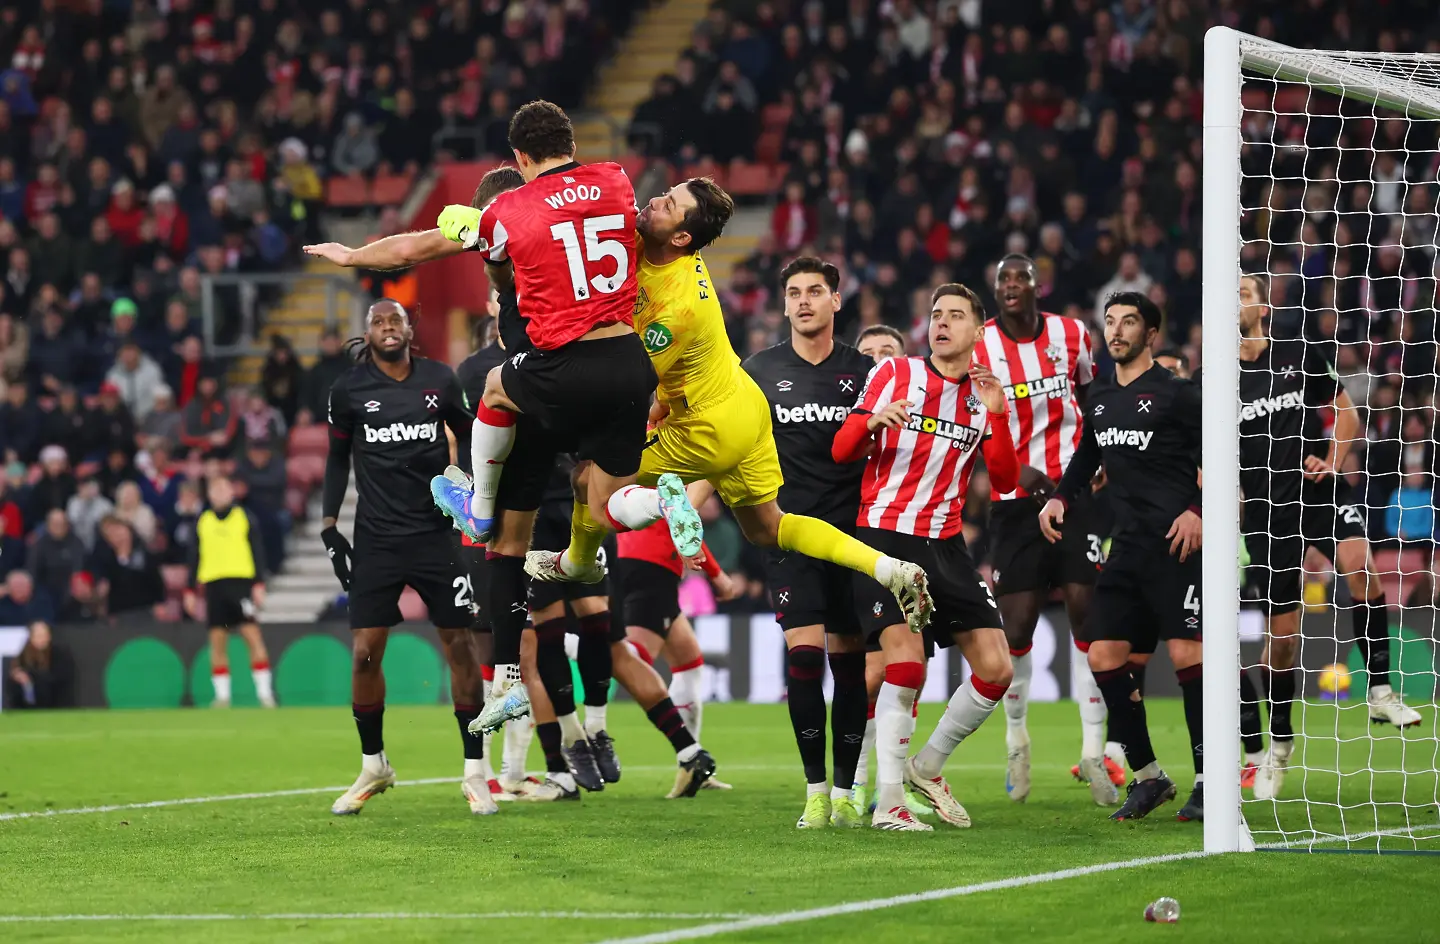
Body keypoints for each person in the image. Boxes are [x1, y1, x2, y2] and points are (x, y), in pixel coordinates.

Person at [308, 104, 705, 745]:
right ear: (570, 142)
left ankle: (481, 511)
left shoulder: (503, 214)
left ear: (519, 159)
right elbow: (652, 241)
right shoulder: (615, 181)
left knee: (494, 403)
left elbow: (415, 247)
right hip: (629, 363)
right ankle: (662, 499)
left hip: (555, 370)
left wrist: (353, 256)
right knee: (607, 502)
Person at [831, 283, 1020, 831]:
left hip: (946, 546)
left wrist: (1000, 415)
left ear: (977, 331)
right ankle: (888, 801)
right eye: (936, 314)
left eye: (955, 316)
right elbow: (841, 451)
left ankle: (927, 766)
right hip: (883, 536)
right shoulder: (895, 374)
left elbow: (1005, 480)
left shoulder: (983, 393)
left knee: (996, 668)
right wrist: (871, 422)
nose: (941, 323)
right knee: (906, 665)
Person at [1228, 273, 1418, 804]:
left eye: (1242, 293)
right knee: (1282, 642)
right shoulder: (1216, 378)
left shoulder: (1297, 352)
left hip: (1319, 490)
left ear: (1262, 305)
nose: (1234, 301)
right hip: (1268, 513)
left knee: (1361, 566)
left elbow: (1349, 415)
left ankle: (1380, 688)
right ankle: (1280, 746)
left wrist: (1332, 459)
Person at [319, 298, 494, 817]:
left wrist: (472, 493)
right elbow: (335, 458)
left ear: (409, 329)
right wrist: (329, 526)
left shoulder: (439, 379)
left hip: (437, 536)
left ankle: (475, 772)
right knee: (365, 653)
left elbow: (469, 431)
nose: (388, 327)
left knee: (459, 647)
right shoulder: (348, 390)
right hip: (375, 538)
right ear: (367, 332)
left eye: (395, 319)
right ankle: (374, 764)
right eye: (378, 321)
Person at [1039, 291, 1205, 822]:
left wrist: (1199, 509)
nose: (1116, 331)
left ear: (1151, 335)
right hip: (1126, 547)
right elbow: (1088, 453)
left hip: (1176, 545)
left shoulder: (1179, 394)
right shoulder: (1103, 398)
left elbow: (1224, 453)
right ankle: (1149, 776)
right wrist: (1062, 497)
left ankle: (1209, 782)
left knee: (1186, 657)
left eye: (1128, 322)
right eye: (1109, 322)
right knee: (1103, 655)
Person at [972, 254, 1115, 806]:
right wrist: (1003, 467)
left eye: (1020, 278)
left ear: (1037, 286)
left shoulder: (1072, 335)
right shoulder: (980, 344)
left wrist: (1099, 458)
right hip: (1012, 501)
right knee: (1018, 628)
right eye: (1003, 278)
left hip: (1073, 493)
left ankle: (1093, 751)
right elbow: (968, 413)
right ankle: (1016, 738)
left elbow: (1093, 397)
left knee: (1086, 612)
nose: (1011, 285)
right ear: (996, 289)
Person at [742, 256, 877, 829]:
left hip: (853, 536)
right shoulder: (759, 370)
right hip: (790, 532)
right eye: (794, 292)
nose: (803, 301)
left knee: (849, 668)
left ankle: (847, 791)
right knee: (803, 659)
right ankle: (816, 792)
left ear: (835, 302)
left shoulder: (867, 371)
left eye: (815, 291)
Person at [183, 475, 272, 708]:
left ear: (232, 492)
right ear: (209, 494)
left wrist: (259, 584)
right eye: (215, 489)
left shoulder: (244, 517)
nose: (220, 493)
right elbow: (194, 556)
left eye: (224, 488)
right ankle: (222, 697)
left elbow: (258, 551)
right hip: (214, 586)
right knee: (217, 641)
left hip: (241, 584)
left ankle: (264, 694)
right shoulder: (202, 521)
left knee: (253, 637)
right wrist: (190, 589)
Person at [5, 620, 72, 709]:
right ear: (31, 638)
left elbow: (57, 678)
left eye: (45, 635)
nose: (42, 639)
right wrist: (18, 676)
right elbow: (15, 672)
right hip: (26, 701)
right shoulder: (24, 655)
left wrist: (31, 676)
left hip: (53, 701)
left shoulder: (57, 655)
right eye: (38, 636)